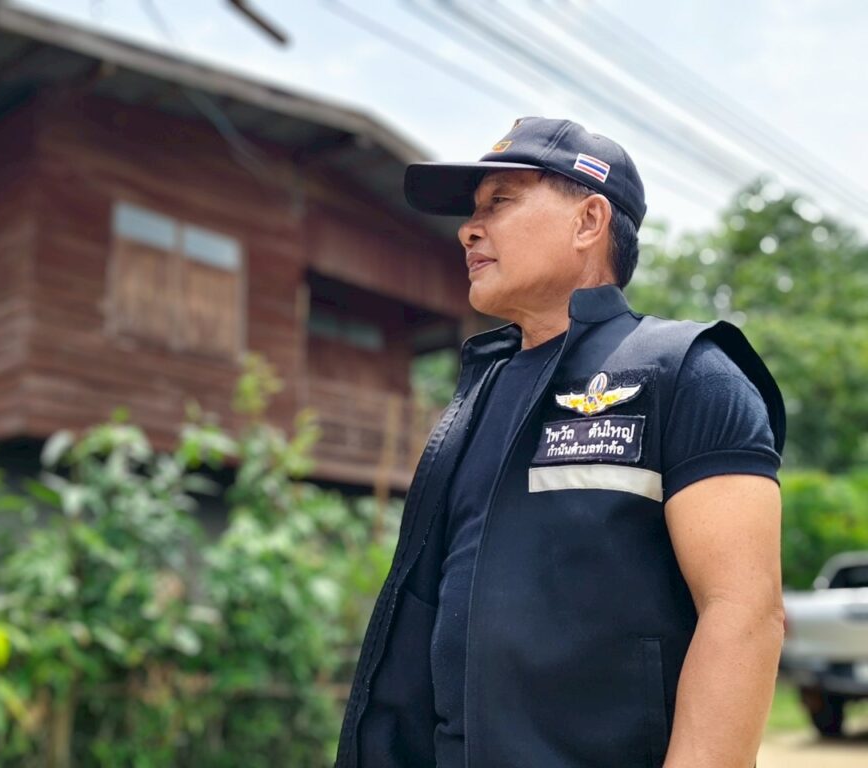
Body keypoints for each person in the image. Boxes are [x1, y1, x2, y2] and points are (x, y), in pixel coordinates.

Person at [335, 116, 786, 768]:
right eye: (472, 212)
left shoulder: (688, 373)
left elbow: (742, 612)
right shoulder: (474, 400)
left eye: (500, 201)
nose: (468, 229)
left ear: (588, 221)